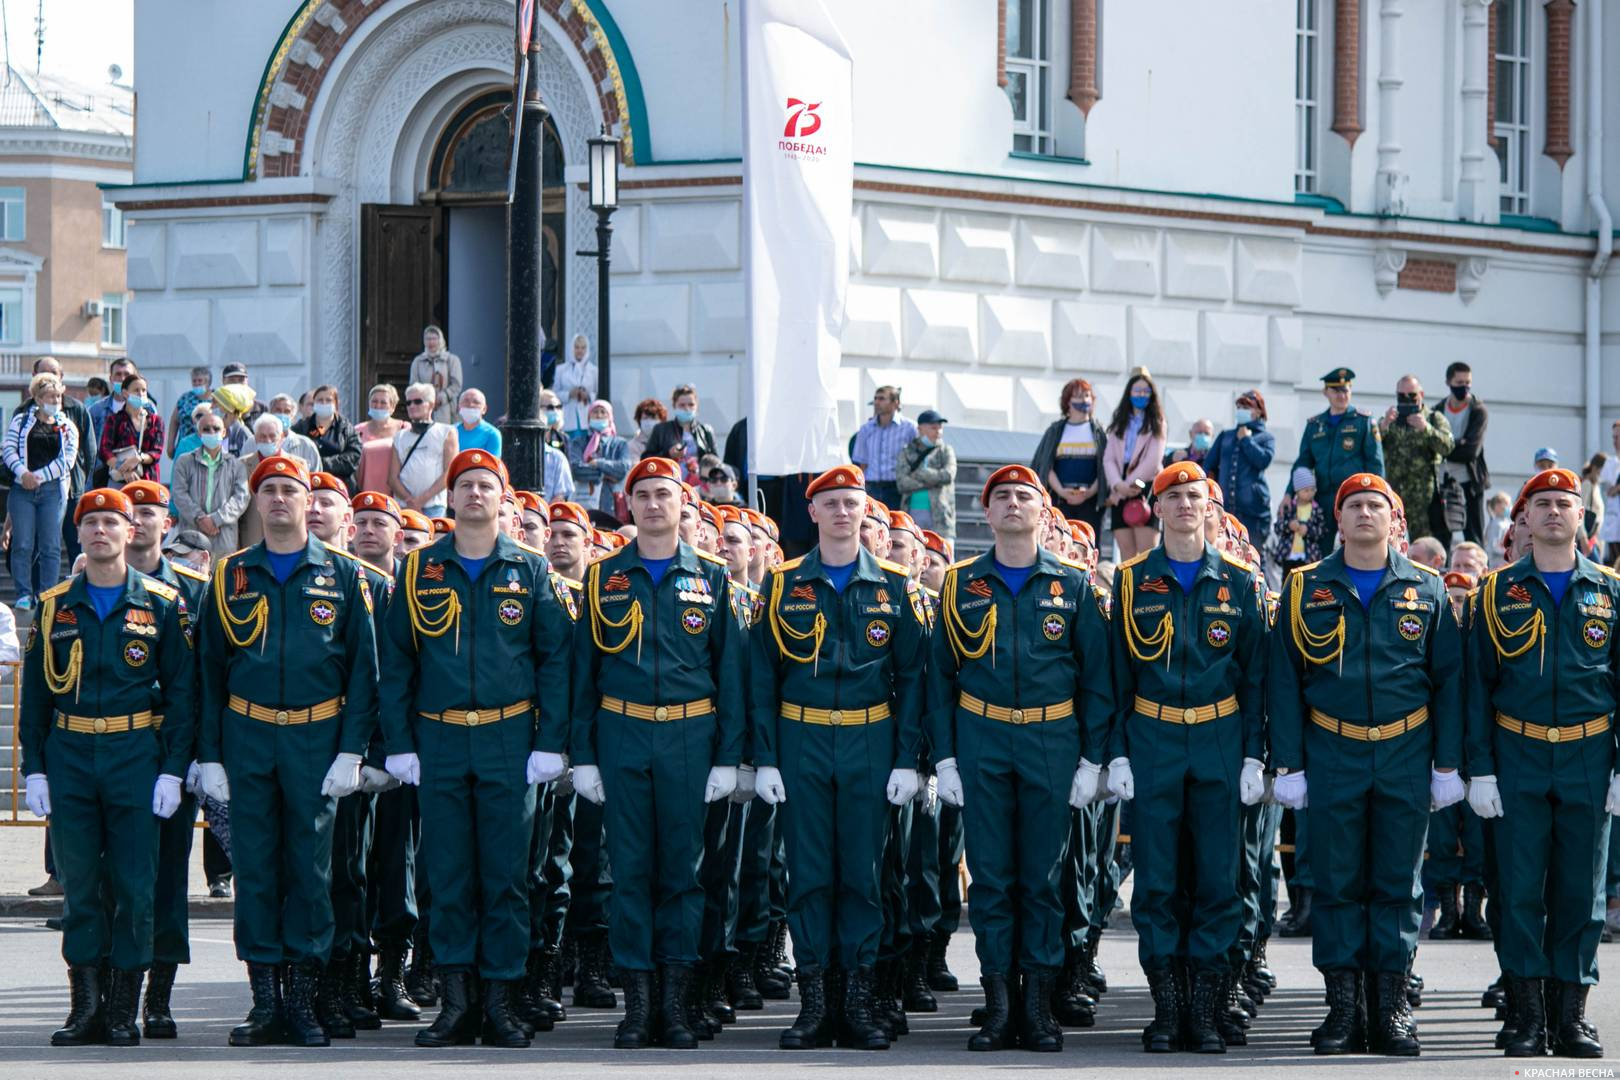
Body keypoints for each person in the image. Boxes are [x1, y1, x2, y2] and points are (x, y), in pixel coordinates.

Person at [378, 450, 573, 1047]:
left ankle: (502, 1002)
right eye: (465, 486)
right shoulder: (418, 570)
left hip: (507, 738)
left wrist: (550, 743)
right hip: (438, 738)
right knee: (449, 873)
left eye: (487, 486)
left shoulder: (531, 570)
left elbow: (555, 661)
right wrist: (400, 743)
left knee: (507, 876)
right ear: (451, 498)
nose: (475, 495)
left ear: (503, 499)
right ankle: (456, 1002)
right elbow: (397, 664)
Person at [1269, 472, 1462, 1056]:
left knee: (1397, 884)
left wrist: (1446, 764)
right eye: (1353, 505)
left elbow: (1449, 683)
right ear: (1338, 519)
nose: (1364, 514)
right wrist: (1291, 765)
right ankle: (1343, 1008)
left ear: (1395, 521)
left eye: (1376, 505)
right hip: (1332, 751)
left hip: (1404, 751)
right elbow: (1285, 681)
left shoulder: (1426, 589)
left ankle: (1391, 1006)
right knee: (1336, 882)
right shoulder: (1305, 588)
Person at [194, 454, 380, 1048]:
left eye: (289, 490)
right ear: (255, 502)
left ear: (310, 501)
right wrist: (210, 757)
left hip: (315, 738)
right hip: (248, 738)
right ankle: (264, 1002)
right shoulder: (230, 575)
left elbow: (364, 675)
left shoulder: (344, 576)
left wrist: (352, 751)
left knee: (311, 873)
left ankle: (303, 1002)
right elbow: (208, 675)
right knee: (257, 872)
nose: (278, 499)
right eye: (267, 490)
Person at [924, 465, 1110, 1053]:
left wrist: (1093, 760)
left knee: (1043, 880)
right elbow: (939, 680)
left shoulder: (1074, 586)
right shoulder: (960, 585)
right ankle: (1000, 1003)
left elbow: (1097, 680)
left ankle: (1039, 1006)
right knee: (993, 879)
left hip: (1051, 741)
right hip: (982, 739)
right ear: (986, 512)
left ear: (1042, 510)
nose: (1011, 503)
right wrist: (946, 758)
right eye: (1000, 496)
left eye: (1023, 495)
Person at [571, 456, 745, 1050]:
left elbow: (732, 675)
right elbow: (582, 676)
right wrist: (583, 755)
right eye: (640, 494)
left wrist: (730, 757)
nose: (651, 504)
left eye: (662, 494)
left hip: (690, 737)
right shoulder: (603, 578)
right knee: (630, 873)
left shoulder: (714, 578)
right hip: (621, 734)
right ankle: (637, 1006)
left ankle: (675, 1004)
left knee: (683, 874)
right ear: (628, 505)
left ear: (682, 502)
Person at [749, 464, 923, 1052]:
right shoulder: (782, 584)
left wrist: (907, 759)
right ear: (814, 513)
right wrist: (765, 758)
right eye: (832, 503)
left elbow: (914, 679)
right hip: (801, 740)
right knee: (810, 875)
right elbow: (760, 679)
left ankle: (858, 1000)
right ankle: (815, 1004)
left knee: (863, 877)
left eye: (853, 503)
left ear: (866, 512)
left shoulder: (895, 586)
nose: (843, 512)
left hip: (869, 741)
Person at [20, 486, 195, 1047]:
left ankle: (124, 1010)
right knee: (82, 886)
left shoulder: (163, 603)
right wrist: (35, 769)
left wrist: (172, 769)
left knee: (136, 884)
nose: (100, 531)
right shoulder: (53, 606)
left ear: (131, 532)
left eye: (111, 522)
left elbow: (184, 696)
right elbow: (38, 697)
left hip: (134, 756)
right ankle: (84, 1009)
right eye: (90, 523)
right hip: (71, 757)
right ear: (77, 535)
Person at [1107, 461, 1267, 1054]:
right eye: (1170, 496)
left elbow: (1255, 680)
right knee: (1156, 881)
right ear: (1155, 507)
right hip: (1152, 740)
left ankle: (1205, 1008)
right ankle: (1168, 1009)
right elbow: (1116, 680)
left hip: (1220, 739)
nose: (1182, 505)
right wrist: (1115, 755)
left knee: (1218, 880)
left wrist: (1255, 754)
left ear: (1210, 508)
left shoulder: (1242, 583)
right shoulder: (1129, 583)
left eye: (1192, 496)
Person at [1466, 467, 1620, 1058]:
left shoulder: (1609, 591)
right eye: (1542, 504)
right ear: (1523, 519)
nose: (1554, 512)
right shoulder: (1493, 593)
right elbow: (1476, 689)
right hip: (1518, 753)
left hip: (1587, 753)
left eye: (1565, 503)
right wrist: (1479, 768)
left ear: (1582, 517)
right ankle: (1526, 1015)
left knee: (1582, 895)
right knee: (1520, 891)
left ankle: (1571, 1015)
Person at [120, 479, 212, 1039]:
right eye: (130, 512)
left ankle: (159, 997)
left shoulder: (195, 590)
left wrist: (199, 757)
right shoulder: (88, 584)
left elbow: (203, 680)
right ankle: (113, 992)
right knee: (112, 876)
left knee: (167, 879)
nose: (139, 520)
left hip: (171, 751)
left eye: (149, 511)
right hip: (109, 749)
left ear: (166, 523)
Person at [4, 372, 79, 610]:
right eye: (50, 396)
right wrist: (22, 474)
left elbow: (67, 459)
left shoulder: (68, 427)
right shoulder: (21, 421)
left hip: (52, 491)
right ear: (37, 398)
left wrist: (39, 477)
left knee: (50, 545)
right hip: (22, 489)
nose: (55, 401)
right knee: (23, 544)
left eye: (58, 396)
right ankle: (24, 594)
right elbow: (8, 449)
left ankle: (47, 594)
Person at [1293, 368, 1385, 509]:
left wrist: (1376, 496)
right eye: (1336, 391)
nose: (1342, 396)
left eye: (1345, 390)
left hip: (1353, 498)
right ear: (1325, 392)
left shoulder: (1363, 421)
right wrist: (1289, 494)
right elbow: (1303, 464)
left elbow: (1375, 463)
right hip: (1322, 500)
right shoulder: (1315, 425)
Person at [1202, 390, 1276, 562]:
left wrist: (1246, 440)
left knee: (1254, 557)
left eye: (1247, 407)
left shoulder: (1266, 438)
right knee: (1225, 556)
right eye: (1240, 406)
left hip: (1254, 512)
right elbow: (1208, 466)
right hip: (1227, 508)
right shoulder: (1226, 436)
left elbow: (1263, 461)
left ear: (1258, 411)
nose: (1241, 410)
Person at [1379, 375, 1454, 543]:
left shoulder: (1434, 418)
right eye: (1402, 396)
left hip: (1426, 502)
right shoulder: (1390, 420)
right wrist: (1383, 426)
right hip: (1396, 500)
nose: (1407, 400)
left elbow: (1448, 446)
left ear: (1421, 394)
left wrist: (1426, 429)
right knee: (1394, 545)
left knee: (1424, 549)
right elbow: (1372, 445)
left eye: (1412, 395)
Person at [1102, 368, 1167, 562]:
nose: (1141, 395)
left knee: (1147, 555)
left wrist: (1126, 486)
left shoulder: (1157, 422)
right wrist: (1117, 484)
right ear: (1129, 393)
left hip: (1144, 485)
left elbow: (1153, 460)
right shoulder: (1118, 423)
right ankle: (1126, 592)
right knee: (1126, 555)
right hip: (1120, 484)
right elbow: (1109, 459)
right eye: (1137, 390)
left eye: (1145, 391)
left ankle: (1149, 591)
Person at [169, 407, 251, 558]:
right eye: (206, 429)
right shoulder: (185, 461)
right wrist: (199, 518)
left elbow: (241, 498)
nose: (212, 432)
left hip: (223, 533)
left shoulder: (236, 464)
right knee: (190, 575)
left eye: (216, 428)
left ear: (224, 433)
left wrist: (216, 519)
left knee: (222, 578)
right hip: (191, 532)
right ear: (199, 433)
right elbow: (178, 493)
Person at [1033, 380, 1109, 535]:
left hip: (1090, 502)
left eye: (1087, 395)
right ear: (1067, 401)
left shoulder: (1099, 432)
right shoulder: (1055, 430)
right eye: (1078, 396)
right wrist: (1062, 491)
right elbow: (1046, 465)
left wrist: (1089, 492)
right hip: (1060, 500)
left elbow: (1105, 467)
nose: (1084, 400)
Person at [1437, 362, 1490, 544]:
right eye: (1459, 382)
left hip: (1470, 481)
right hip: (1443, 480)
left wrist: (1445, 447)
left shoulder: (1478, 410)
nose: (1464, 387)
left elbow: (1470, 451)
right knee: (1442, 535)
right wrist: (1459, 442)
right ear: (1449, 382)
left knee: (1473, 536)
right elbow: (1432, 446)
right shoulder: (1438, 410)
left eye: (1468, 382)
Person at [390, 383, 458, 516]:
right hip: (404, 506)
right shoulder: (399, 436)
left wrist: (420, 501)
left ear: (431, 405)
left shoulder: (447, 432)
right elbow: (392, 478)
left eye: (418, 401)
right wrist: (411, 502)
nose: (412, 406)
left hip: (433, 507)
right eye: (408, 403)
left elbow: (450, 472)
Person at [849, 387, 918, 510]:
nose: (877, 402)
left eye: (882, 398)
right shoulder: (866, 429)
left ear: (895, 402)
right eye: (875, 398)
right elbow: (861, 463)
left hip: (897, 489)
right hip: (872, 487)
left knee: (895, 526)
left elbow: (917, 460)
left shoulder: (910, 428)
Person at [896, 409, 956, 540]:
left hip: (941, 517)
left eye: (940, 428)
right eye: (934, 427)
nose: (938, 431)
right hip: (913, 513)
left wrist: (921, 474)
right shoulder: (907, 452)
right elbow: (902, 484)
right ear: (920, 429)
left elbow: (948, 475)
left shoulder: (946, 451)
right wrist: (933, 481)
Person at [642, 384, 718, 484]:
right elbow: (646, 460)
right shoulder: (661, 429)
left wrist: (701, 462)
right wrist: (668, 454)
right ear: (674, 405)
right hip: (669, 483)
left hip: (701, 486)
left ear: (697, 406)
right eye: (682, 405)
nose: (687, 409)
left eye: (691, 405)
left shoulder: (706, 431)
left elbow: (716, 462)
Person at [567, 399, 630, 516]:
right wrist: (605, 474)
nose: (599, 415)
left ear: (610, 417)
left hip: (611, 504)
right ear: (589, 416)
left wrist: (598, 463)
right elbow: (576, 469)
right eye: (595, 412)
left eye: (603, 412)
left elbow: (623, 468)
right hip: (583, 501)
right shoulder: (579, 442)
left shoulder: (620, 443)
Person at [98, 373, 164, 484]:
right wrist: (124, 469)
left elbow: (157, 452)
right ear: (125, 393)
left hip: (149, 479)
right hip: (120, 481)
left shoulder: (156, 421)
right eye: (136, 390)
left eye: (144, 390)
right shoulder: (114, 420)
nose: (141, 394)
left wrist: (138, 458)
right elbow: (105, 451)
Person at [294, 386, 362, 492]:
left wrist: (320, 463)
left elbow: (353, 458)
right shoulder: (302, 427)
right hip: (308, 485)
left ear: (336, 404)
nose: (324, 403)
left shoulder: (346, 428)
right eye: (320, 400)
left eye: (328, 400)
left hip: (340, 487)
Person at [356, 384, 408, 493]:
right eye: (374, 401)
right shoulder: (358, 430)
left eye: (383, 402)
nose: (378, 405)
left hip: (398, 492)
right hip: (366, 491)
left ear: (392, 407)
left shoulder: (404, 429)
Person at [408, 325, 464, 424]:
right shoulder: (418, 361)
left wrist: (441, 398)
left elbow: (456, 385)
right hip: (423, 406)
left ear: (440, 340)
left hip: (447, 409)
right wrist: (425, 398)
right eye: (427, 339)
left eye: (434, 339)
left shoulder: (451, 360)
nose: (431, 342)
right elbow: (413, 384)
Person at [555, 333, 599, 436]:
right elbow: (555, 394)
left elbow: (597, 393)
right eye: (577, 347)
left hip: (586, 416)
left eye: (583, 348)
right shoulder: (561, 369)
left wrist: (587, 395)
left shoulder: (593, 370)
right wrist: (569, 394)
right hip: (567, 416)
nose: (580, 351)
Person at [165, 366, 212, 461]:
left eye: (200, 380)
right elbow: (174, 421)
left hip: (208, 445)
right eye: (194, 381)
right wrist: (170, 445)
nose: (197, 383)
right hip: (185, 446)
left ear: (207, 382)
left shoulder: (215, 398)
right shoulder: (185, 398)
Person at [267, 395, 323, 472]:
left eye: (287, 412)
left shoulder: (306, 445)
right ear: (270, 414)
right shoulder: (254, 442)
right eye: (278, 410)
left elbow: (316, 476)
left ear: (293, 417)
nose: (282, 415)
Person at [453, 388, 502, 457]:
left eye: (476, 402)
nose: (470, 405)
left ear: (484, 409)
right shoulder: (451, 431)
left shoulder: (492, 434)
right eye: (466, 401)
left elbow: (492, 465)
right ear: (458, 407)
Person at [210, 384, 255, 457]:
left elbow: (249, 464)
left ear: (227, 406)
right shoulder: (212, 432)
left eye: (215, 402)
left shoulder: (243, 434)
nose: (211, 406)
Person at [219, 362, 267, 427]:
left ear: (247, 381)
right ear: (223, 381)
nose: (237, 384)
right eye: (232, 380)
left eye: (241, 380)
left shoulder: (261, 408)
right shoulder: (217, 408)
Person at [1600, 422, 1620, 565]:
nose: (1616, 441)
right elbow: (1609, 490)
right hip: (1614, 521)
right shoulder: (1610, 463)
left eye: (1618, 437)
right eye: (1614, 437)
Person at [1484, 491, 1513, 567]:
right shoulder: (1497, 524)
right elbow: (1494, 546)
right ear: (1497, 506)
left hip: (1505, 561)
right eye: (1507, 504)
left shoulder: (1506, 523)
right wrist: (1510, 551)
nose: (1509, 507)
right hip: (1497, 563)